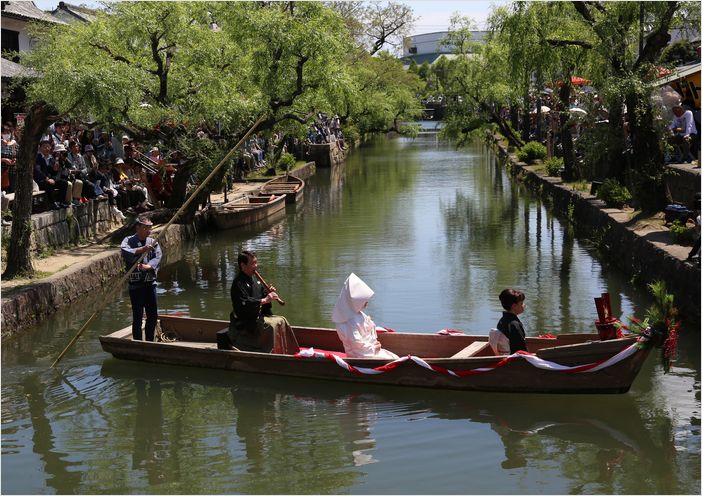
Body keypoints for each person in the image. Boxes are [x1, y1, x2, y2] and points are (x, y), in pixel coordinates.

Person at [226, 251, 298, 354]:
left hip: (257, 316)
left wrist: (269, 294)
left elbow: (264, 299)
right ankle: (269, 353)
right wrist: (264, 300)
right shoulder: (238, 283)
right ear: (243, 265)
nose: (255, 266)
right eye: (252, 263)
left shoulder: (256, 280)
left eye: (256, 262)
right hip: (245, 321)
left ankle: (288, 350)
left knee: (282, 320)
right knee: (271, 326)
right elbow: (244, 303)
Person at [331, 273, 399, 360]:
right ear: (355, 301)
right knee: (393, 360)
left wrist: (375, 344)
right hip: (360, 356)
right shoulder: (346, 320)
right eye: (364, 300)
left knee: (395, 357)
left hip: (369, 351)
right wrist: (374, 348)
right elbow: (356, 343)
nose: (367, 303)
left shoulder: (357, 314)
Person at [121, 216, 162, 341]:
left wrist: (148, 266)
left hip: (150, 284)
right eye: (145, 228)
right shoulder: (128, 240)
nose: (148, 231)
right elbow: (125, 252)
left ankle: (150, 340)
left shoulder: (152, 241)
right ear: (138, 227)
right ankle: (138, 341)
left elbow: (158, 256)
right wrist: (142, 250)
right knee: (137, 315)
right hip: (136, 286)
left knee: (152, 315)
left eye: (150, 228)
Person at [492, 288, 528, 354]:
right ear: (514, 306)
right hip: (514, 361)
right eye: (522, 303)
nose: (524, 305)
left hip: (506, 356)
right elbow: (521, 350)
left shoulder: (502, 320)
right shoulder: (514, 324)